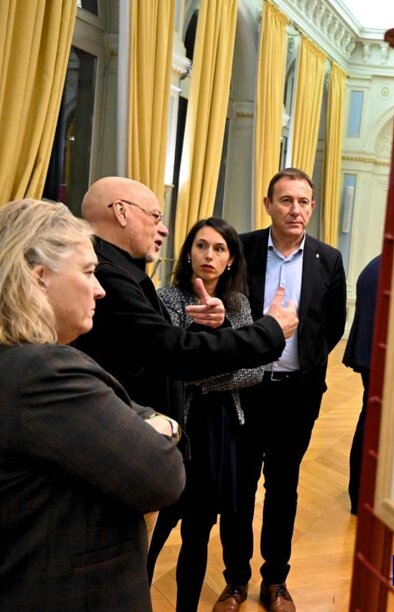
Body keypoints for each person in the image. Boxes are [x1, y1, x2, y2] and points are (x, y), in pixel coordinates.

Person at [72, 176, 298, 579]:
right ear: (122, 212)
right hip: (142, 436)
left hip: (210, 429)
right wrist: (267, 332)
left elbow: (235, 369)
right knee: (134, 553)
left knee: (201, 525)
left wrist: (208, 337)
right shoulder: (120, 279)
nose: (163, 228)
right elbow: (172, 355)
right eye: (156, 216)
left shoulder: (226, 300)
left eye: (219, 248)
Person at [0, 199, 185, 611]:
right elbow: (165, 475)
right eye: (88, 272)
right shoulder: (43, 372)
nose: (100, 288)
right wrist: (162, 425)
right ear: (40, 277)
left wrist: (134, 417)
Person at [214, 168, 346, 612]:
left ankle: (276, 580)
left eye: (304, 201)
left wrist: (304, 363)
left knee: (284, 488)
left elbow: (332, 326)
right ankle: (235, 581)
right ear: (268, 204)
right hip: (245, 391)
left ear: (312, 207)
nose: (296, 209)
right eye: (286, 200)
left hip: (297, 396)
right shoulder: (244, 251)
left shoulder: (328, 259)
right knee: (238, 487)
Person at [156, 218, 264, 611]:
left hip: (219, 427)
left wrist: (204, 372)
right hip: (175, 424)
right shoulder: (168, 298)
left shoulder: (237, 303)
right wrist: (221, 357)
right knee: (159, 525)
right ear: (188, 252)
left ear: (232, 259)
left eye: (220, 249)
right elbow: (173, 367)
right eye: (202, 246)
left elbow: (254, 371)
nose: (209, 255)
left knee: (199, 528)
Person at [342, 254, 381, 515]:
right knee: (372, 424)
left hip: (371, 355)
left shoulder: (376, 264)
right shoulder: (392, 268)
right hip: (381, 357)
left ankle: (360, 492)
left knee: (369, 420)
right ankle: (363, 493)